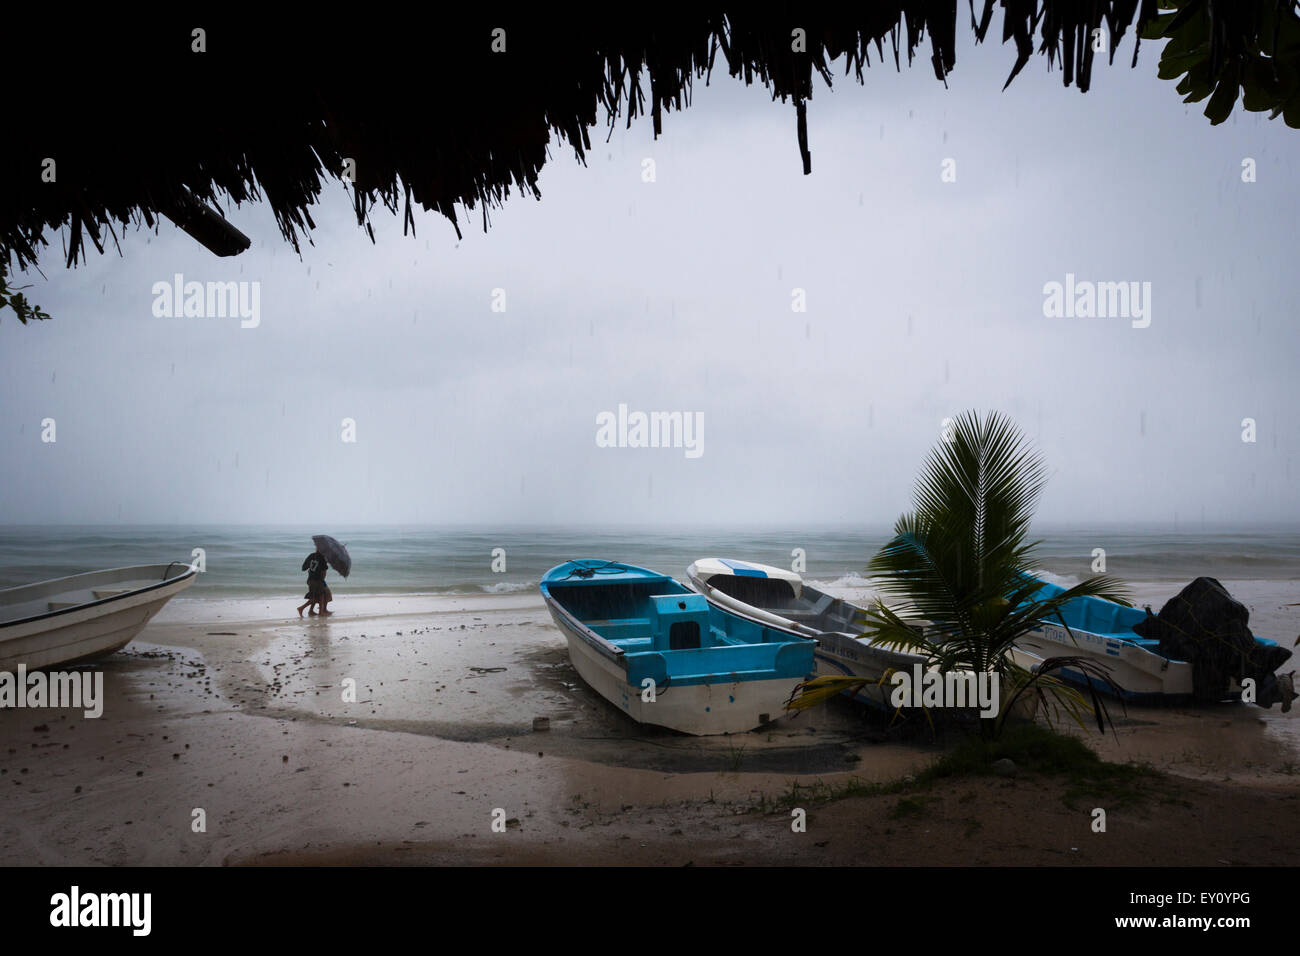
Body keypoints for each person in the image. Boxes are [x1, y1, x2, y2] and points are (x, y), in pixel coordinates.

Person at [297, 546, 333, 617]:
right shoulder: (322, 558)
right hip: (317, 580)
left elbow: (304, 568)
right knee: (318, 596)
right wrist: (322, 580)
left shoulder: (311, 555)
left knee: (319, 595)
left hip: (310, 579)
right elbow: (323, 572)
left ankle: (315, 611)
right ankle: (301, 608)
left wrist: (312, 567)